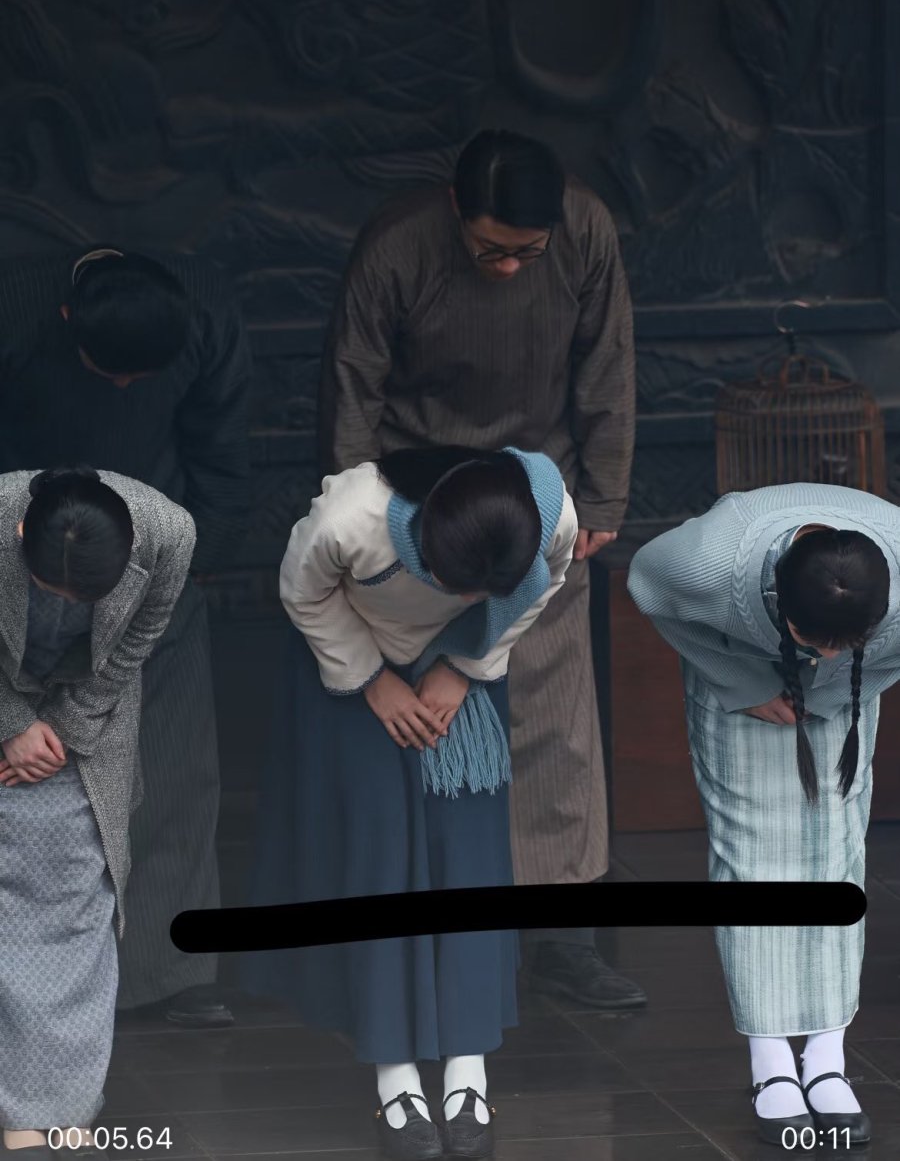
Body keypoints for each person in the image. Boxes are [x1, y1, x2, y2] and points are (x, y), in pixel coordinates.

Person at [318, 128, 643, 1010]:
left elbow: (607, 362)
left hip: (540, 489)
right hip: (416, 492)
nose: (506, 268)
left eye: (525, 254)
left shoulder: (586, 231)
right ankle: (423, 921)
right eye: (489, 250)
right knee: (421, 714)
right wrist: (357, 514)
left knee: (553, 716)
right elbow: (353, 385)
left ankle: (565, 934)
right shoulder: (399, 246)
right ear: (456, 207)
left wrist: (603, 497)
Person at [246, 446, 577, 1159]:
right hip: (354, 666)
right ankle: (395, 1075)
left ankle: (468, 1070)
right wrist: (373, 680)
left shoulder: (550, 511)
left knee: (471, 864)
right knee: (379, 863)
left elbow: (548, 580)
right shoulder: (351, 517)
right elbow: (302, 590)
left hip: (463, 674)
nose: (469, 598)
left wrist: (465, 666)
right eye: (457, 585)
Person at [0, 247, 252, 1028]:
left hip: (145, 561)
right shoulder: (18, 308)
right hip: (21, 555)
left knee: (170, 769)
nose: (122, 389)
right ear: (68, 319)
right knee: (25, 776)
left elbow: (222, 444)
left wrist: (200, 558)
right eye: (107, 372)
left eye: (139, 378)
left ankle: (168, 968)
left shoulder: (204, 312)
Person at [626, 481, 900, 1147]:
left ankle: (827, 1058)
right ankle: (772, 1062)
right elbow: (645, 583)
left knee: (836, 861)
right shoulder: (714, 557)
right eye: (814, 641)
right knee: (753, 866)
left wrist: (832, 688)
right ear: (778, 599)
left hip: (848, 698)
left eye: (841, 643)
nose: (824, 655)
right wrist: (744, 684)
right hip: (740, 679)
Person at [0, 467, 195, 1155]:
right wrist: (11, 724)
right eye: (49, 588)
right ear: (20, 533)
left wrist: (62, 730)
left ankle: (60, 1106)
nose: (65, 604)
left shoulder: (168, 534)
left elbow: (134, 645)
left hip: (87, 723)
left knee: (74, 897)